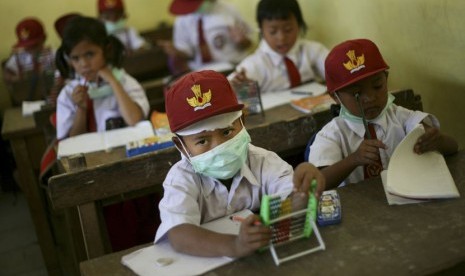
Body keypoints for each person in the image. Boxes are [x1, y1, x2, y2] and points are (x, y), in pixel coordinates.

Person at [154, 70, 325, 257]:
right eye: (202, 141)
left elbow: (292, 202)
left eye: (227, 132)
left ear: (242, 121)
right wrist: (235, 245)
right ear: (181, 145)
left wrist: (304, 191)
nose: (220, 147)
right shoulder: (180, 178)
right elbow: (179, 234)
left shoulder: (263, 161)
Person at [308, 38, 458, 189]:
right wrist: (354, 159)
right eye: (357, 93)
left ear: (386, 79)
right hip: (357, 209)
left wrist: (437, 140)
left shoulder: (402, 118)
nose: (371, 98)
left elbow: (453, 147)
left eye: (377, 86)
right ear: (336, 97)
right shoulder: (332, 135)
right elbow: (318, 183)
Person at [55, 15, 150, 140]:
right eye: (76, 58)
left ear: (107, 50)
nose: (83, 64)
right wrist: (81, 108)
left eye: (90, 54)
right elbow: (73, 142)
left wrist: (114, 82)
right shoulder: (68, 93)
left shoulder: (125, 82)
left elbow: (135, 121)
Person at [228, 0, 328, 93]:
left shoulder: (313, 50)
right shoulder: (254, 64)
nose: (281, 38)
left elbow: (336, 72)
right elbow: (227, 87)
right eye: (273, 32)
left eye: (288, 29)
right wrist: (238, 88)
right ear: (261, 30)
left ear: (299, 25)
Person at [158, 0, 253, 75]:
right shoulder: (182, 19)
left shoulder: (228, 10)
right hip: (200, 72)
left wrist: (242, 41)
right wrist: (176, 52)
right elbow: (186, 53)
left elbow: (249, 43)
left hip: (233, 68)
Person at [2, 17, 55, 105]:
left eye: (34, 45)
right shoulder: (19, 57)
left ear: (44, 39)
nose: (31, 50)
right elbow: (6, 76)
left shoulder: (53, 54)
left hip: (51, 100)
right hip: (28, 102)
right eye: (27, 46)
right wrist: (14, 78)